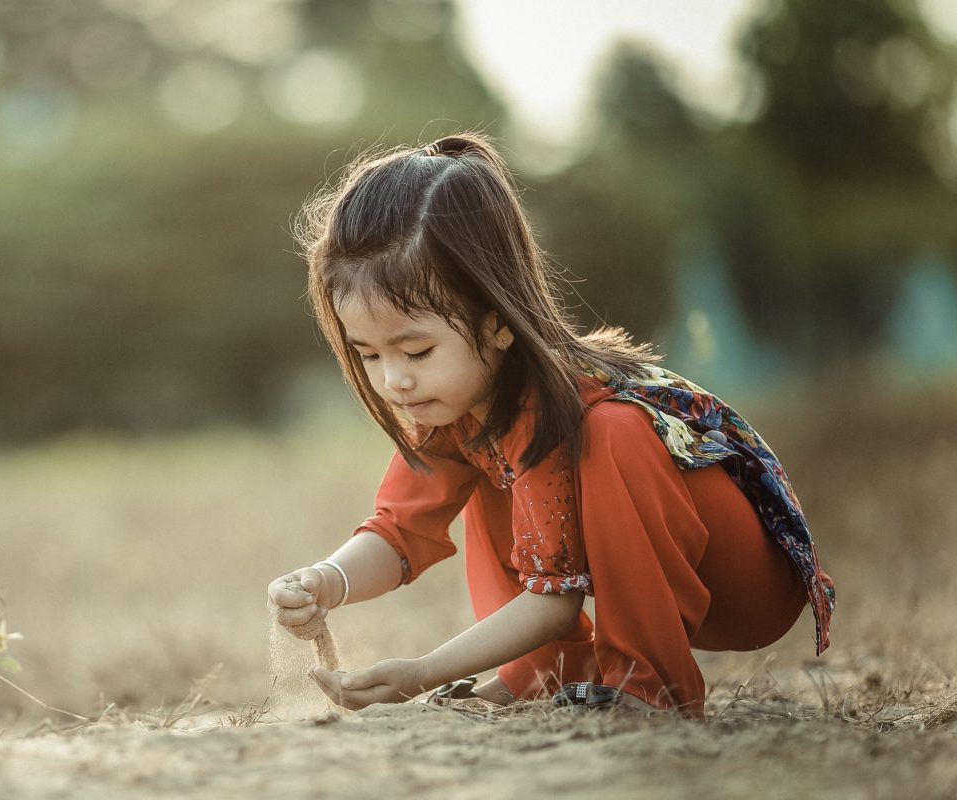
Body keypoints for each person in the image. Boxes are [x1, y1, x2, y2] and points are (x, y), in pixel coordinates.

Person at [266, 131, 835, 718]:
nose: (394, 382)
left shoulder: (564, 403)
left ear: (498, 322)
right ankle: (548, 673)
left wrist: (422, 672)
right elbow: (397, 532)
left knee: (613, 432)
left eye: (415, 353)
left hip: (742, 584)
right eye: (368, 355)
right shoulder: (452, 409)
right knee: (495, 469)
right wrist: (326, 580)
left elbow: (552, 605)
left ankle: (650, 687)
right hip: (650, 583)